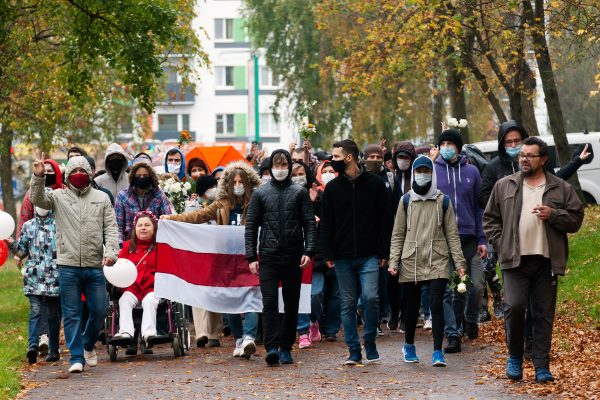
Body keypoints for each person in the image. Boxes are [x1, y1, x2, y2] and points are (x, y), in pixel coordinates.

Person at [483, 136, 584, 383]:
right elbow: (490, 220)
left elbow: (576, 220)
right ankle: (515, 357)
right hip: (514, 260)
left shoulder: (560, 187)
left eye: (530, 155)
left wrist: (553, 214)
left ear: (544, 159)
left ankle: (541, 366)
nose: (524, 159)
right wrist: (503, 242)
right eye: (522, 155)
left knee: (542, 313)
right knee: (514, 307)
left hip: (547, 261)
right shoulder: (504, 185)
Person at [162, 161, 262, 356]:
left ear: (249, 183)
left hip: (250, 258)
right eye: (235, 182)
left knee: (252, 299)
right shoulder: (221, 205)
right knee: (231, 302)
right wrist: (171, 219)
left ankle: (249, 337)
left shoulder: (258, 203)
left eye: (242, 181)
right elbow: (197, 216)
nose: (238, 185)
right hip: (226, 261)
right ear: (228, 184)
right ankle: (239, 339)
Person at [30, 154, 119, 373]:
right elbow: (38, 199)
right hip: (68, 265)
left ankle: (87, 344)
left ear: (89, 175)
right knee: (71, 313)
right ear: (68, 176)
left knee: (98, 310)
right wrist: (38, 176)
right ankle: (76, 358)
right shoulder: (58, 196)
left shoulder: (101, 198)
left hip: (94, 264)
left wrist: (112, 252)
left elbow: (110, 227)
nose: (78, 176)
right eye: (73, 172)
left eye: (82, 172)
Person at [389, 155, 466, 367]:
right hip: (410, 259)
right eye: (419, 171)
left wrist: (459, 263)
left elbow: (452, 234)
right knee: (412, 307)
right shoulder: (405, 201)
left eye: (426, 171)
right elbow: (397, 233)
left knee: (436, 304)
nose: (423, 175)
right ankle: (409, 345)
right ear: (413, 174)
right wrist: (394, 261)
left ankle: (437, 351)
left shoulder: (443, 201)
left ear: (432, 174)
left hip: (437, 259)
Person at [320, 139, 391, 365]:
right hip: (341, 256)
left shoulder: (375, 184)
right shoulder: (331, 189)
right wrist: (328, 253)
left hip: (369, 254)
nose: (333, 161)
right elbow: (327, 224)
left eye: (337, 157)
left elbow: (384, 220)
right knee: (348, 304)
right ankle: (353, 349)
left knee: (371, 297)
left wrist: (384, 251)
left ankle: (369, 340)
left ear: (349, 157)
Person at [245, 150, 317, 365]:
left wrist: (309, 251)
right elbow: (251, 226)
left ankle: (286, 346)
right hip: (268, 256)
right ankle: (272, 347)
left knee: (291, 303)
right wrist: (251, 256)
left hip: (293, 256)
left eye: (283, 164)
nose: (280, 168)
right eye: (276, 164)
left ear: (288, 165)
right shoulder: (260, 193)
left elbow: (309, 224)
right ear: (270, 167)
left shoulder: (299, 193)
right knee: (269, 303)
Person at [433, 129, 487, 352]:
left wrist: (482, 238)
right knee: (452, 290)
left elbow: (478, 206)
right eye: (443, 143)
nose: (446, 147)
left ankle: (471, 319)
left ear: (458, 146)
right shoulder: (433, 170)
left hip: (469, 239)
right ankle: (453, 334)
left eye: (450, 143)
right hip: (443, 239)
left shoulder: (472, 171)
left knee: (474, 287)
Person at [9, 205, 61, 364]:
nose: (42, 207)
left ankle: (53, 348)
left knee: (53, 315)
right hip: (34, 276)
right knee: (36, 311)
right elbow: (22, 251)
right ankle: (32, 346)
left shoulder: (59, 225)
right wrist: (12, 244)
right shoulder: (28, 226)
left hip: (54, 276)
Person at [112, 212, 161, 344]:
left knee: (150, 301)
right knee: (124, 300)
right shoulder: (127, 247)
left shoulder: (160, 247)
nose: (143, 228)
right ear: (135, 229)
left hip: (152, 287)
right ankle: (126, 332)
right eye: (139, 225)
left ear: (154, 228)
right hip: (132, 287)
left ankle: (149, 333)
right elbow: (119, 267)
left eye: (147, 225)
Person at [115, 163, 172, 245]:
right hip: (130, 244)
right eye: (138, 175)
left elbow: (167, 221)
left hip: (154, 244)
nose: (142, 178)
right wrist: (120, 245)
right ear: (133, 177)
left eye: (145, 175)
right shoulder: (123, 196)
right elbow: (118, 226)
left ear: (151, 177)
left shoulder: (159, 195)